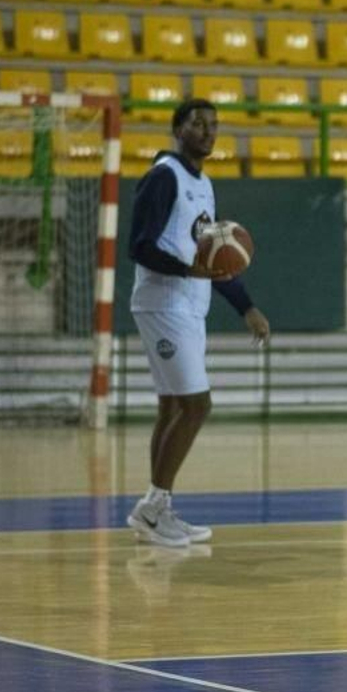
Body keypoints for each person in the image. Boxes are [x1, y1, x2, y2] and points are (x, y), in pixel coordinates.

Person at [126, 98, 271, 548]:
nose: (208, 131)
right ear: (177, 129)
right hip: (163, 304)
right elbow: (139, 246)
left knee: (173, 407)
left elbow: (209, 261)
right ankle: (153, 508)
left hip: (188, 306)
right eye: (197, 123)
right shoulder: (163, 177)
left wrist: (245, 305)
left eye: (213, 124)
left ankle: (157, 510)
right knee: (198, 405)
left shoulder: (204, 184)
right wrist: (190, 273)